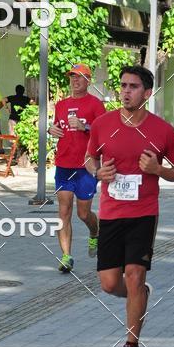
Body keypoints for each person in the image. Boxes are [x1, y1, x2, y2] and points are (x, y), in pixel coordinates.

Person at [85, 65, 174, 347]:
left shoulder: (162, 130)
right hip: (111, 212)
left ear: (147, 92)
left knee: (134, 274)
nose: (126, 92)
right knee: (108, 283)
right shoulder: (103, 124)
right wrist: (96, 171)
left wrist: (158, 171)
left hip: (143, 213)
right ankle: (138, 294)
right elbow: (89, 158)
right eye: (123, 86)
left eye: (133, 86)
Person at [49, 63, 106, 273]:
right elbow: (57, 127)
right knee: (63, 211)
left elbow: (105, 134)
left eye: (80, 77)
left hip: (86, 166)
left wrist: (86, 127)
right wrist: (51, 129)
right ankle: (66, 256)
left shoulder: (96, 105)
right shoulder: (61, 105)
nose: (75, 80)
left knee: (83, 213)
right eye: (72, 76)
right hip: (63, 164)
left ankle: (94, 232)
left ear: (88, 80)